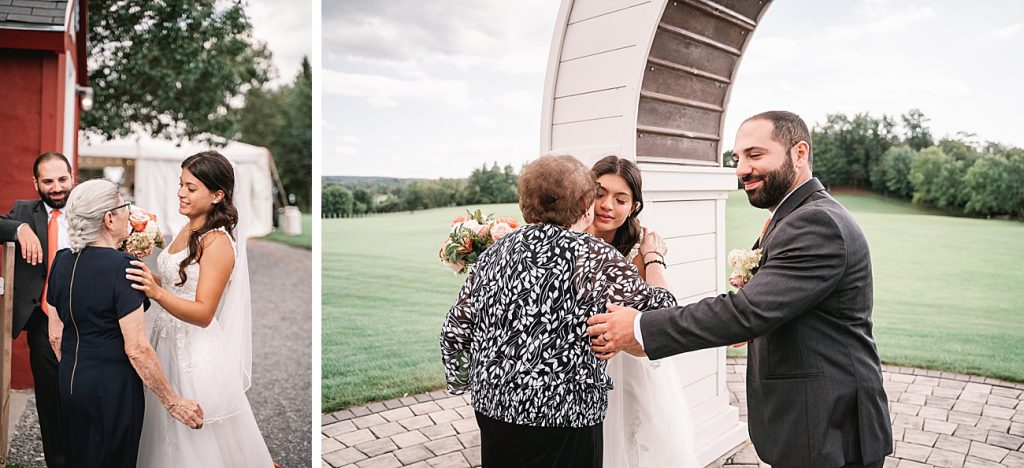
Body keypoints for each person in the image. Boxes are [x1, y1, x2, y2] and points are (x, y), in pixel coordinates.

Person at [588, 111, 893, 468]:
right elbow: (770, 307)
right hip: (811, 422)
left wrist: (638, 327)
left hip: (827, 424)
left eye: (755, 154)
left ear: (799, 153)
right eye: (737, 159)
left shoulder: (816, 222)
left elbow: (745, 313)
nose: (742, 169)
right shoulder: (793, 216)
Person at [439, 154, 676, 468]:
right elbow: (663, 313)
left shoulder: (495, 251)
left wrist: (463, 382)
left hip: (493, 409)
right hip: (565, 417)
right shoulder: (592, 254)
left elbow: (454, 330)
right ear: (584, 205)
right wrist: (655, 258)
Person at [125, 151, 275, 466]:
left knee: (198, 443)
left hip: (194, 353)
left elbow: (204, 312)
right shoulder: (187, 228)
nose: (181, 193)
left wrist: (155, 292)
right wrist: (142, 274)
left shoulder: (217, 243)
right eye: (181, 184)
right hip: (164, 344)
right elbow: (174, 284)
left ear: (217, 194)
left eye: (191, 188)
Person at [44, 179, 203, 468]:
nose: (130, 213)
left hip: (69, 381)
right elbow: (137, 349)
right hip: (113, 389)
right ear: (108, 218)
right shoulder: (123, 268)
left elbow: (55, 335)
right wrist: (173, 401)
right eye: (124, 206)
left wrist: (76, 372)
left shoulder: (61, 260)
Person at [586, 155, 699, 468]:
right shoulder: (573, 238)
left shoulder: (640, 247)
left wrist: (652, 258)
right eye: (599, 193)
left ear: (634, 206)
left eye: (620, 199)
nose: (607, 205)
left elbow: (661, 313)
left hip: (631, 363)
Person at [0, 152, 75, 467]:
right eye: (48, 181)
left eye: (62, 179)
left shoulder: (88, 209)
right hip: (42, 322)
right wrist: (19, 229)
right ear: (36, 183)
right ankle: (58, 462)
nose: (56, 187)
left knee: (89, 395)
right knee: (50, 398)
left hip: (85, 319)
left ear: (73, 177)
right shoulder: (23, 210)